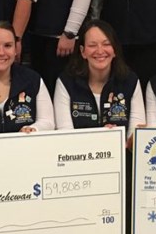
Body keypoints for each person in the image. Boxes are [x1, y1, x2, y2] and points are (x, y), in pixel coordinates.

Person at [54, 19, 144, 148]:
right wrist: (101, 137)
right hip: (78, 159)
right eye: (92, 45)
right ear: (82, 51)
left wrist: (123, 141)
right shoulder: (66, 82)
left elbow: (136, 134)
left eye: (106, 44)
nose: (100, 51)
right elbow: (65, 135)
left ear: (115, 50)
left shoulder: (130, 80)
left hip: (121, 159)